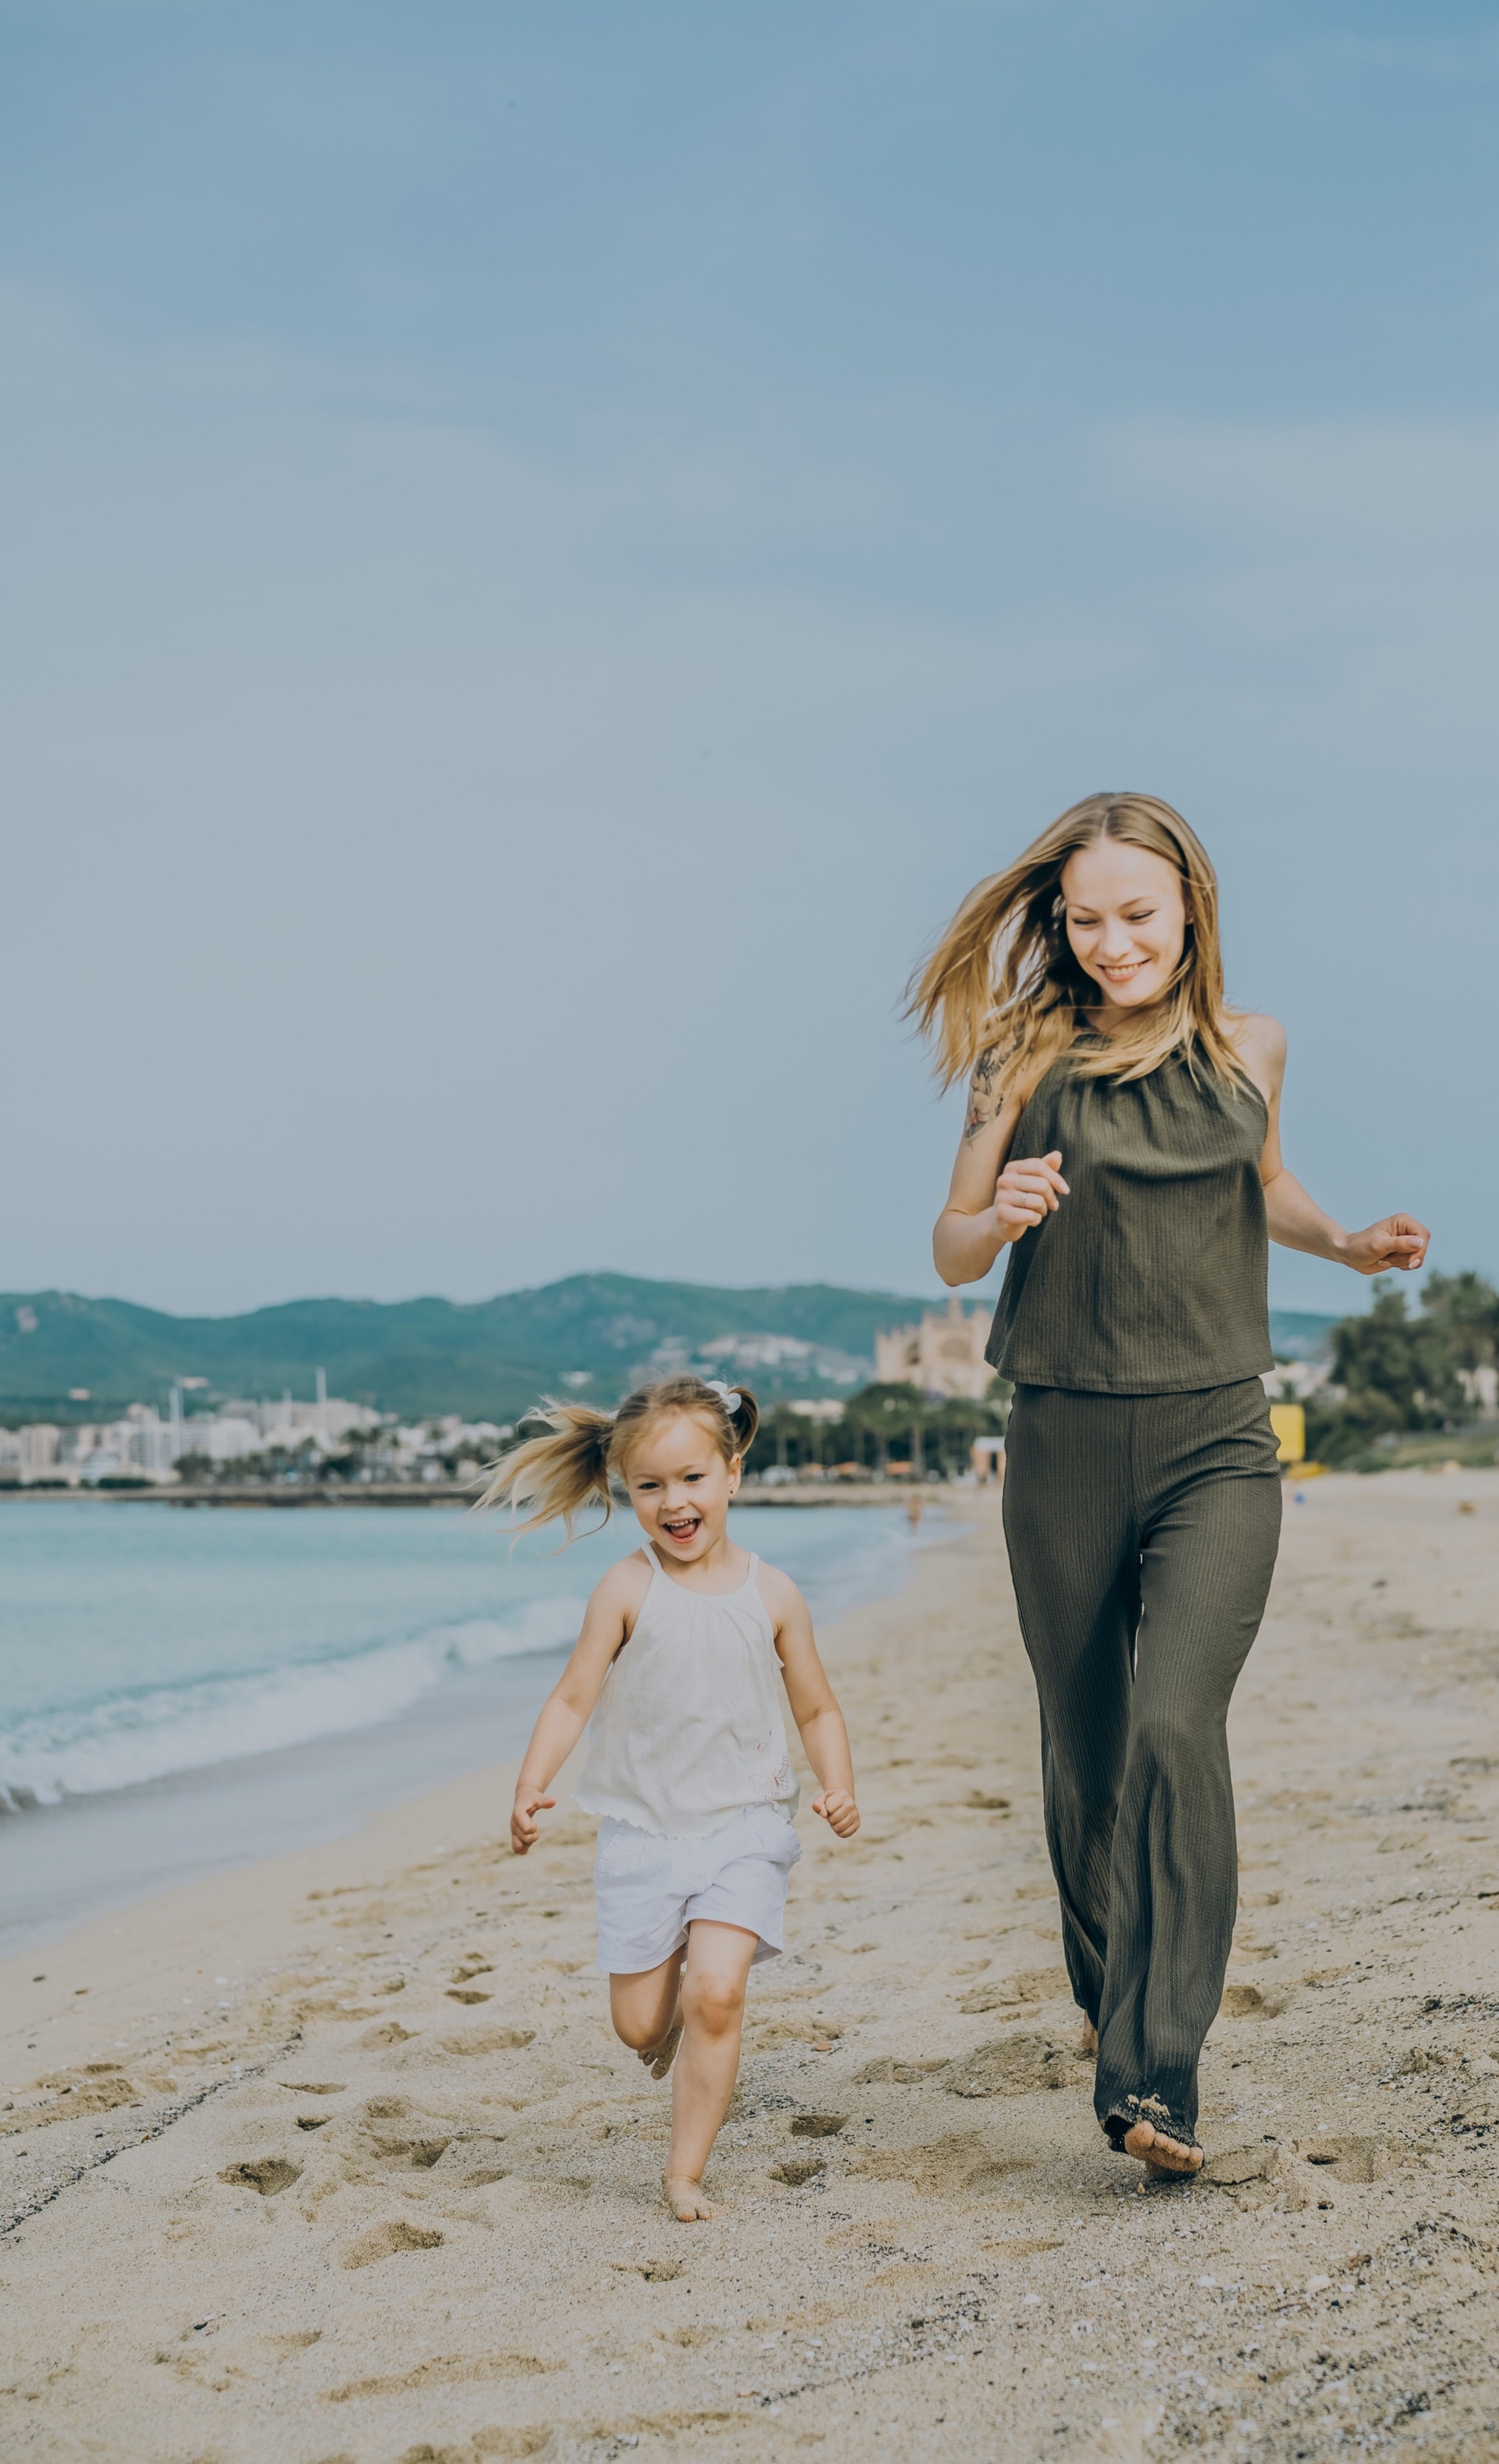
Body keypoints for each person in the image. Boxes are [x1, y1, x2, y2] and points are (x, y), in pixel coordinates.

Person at [912, 792, 1429, 2180]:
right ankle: (1113, 2021)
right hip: (1063, 1442)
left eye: (1134, 914)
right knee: (1083, 1758)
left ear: (1187, 906)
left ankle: (1158, 2071)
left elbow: (1258, 1184)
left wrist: (1349, 1244)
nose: (1109, 941)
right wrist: (998, 1212)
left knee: (1169, 1722)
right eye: (1083, 920)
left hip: (1215, 1439)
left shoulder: (1246, 1043)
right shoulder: (1019, 1047)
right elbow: (952, 1245)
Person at [479, 1375, 860, 2221]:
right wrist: (531, 1781)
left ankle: (683, 2171)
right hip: (643, 1833)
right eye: (649, 1486)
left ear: (733, 1474)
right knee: (640, 2026)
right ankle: (673, 2031)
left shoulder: (773, 1592)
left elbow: (817, 1705)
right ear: (627, 1493)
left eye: (691, 1478)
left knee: (716, 1991)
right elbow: (574, 1696)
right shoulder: (625, 1587)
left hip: (744, 1827)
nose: (673, 1502)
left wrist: (837, 1783)